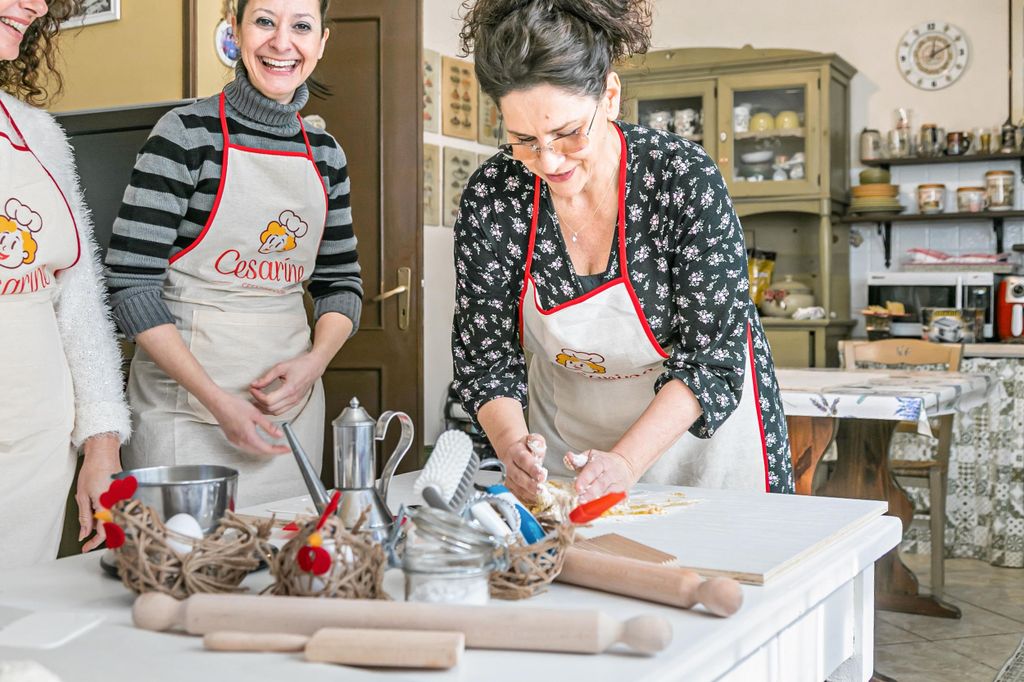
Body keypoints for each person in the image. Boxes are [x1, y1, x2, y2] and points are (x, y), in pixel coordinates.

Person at [452, 0, 794, 505]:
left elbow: (712, 357)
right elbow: (486, 358)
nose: (548, 160)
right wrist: (511, 447)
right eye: (524, 140)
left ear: (609, 96)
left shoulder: (679, 179)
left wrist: (628, 462)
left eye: (568, 134)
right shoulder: (494, 195)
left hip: (703, 448)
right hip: (572, 445)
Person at [104, 0, 362, 506]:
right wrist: (218, 401)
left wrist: (315, 362)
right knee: (184, 570)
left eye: (302, 27)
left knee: (285, 566)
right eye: (264, 21)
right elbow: (130, 285)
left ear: (321, 43)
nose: (282, 42)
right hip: (186, 414)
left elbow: (340, 284)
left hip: (289, 418)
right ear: (235, 31)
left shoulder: (326, 154)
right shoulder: (184, 135)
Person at [0, 0, 131, 568]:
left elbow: (78, 301)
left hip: (34, 446)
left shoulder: (37, 132)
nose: (37, 5)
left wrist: (101, 440)